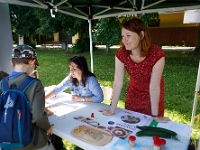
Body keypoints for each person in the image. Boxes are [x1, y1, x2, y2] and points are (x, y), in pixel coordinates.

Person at [100, 18, 170, 123]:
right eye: (123, 36)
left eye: (128, 36)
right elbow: (118, 83)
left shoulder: (157, 54)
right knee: (131, 125)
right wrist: (112, 109)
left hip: (153, 98)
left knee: (150, 127)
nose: (124, 40)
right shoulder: (121, 54)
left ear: (141, 35)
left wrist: (155, 115)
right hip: (133, 94)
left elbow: (154, 87)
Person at [0, 44, 55, 150]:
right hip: (33, 143)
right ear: (32, 62)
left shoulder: (3, 83)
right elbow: (38, 117)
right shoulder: (35, 84)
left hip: (7, 141)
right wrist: (47, 128)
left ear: (11, 62)